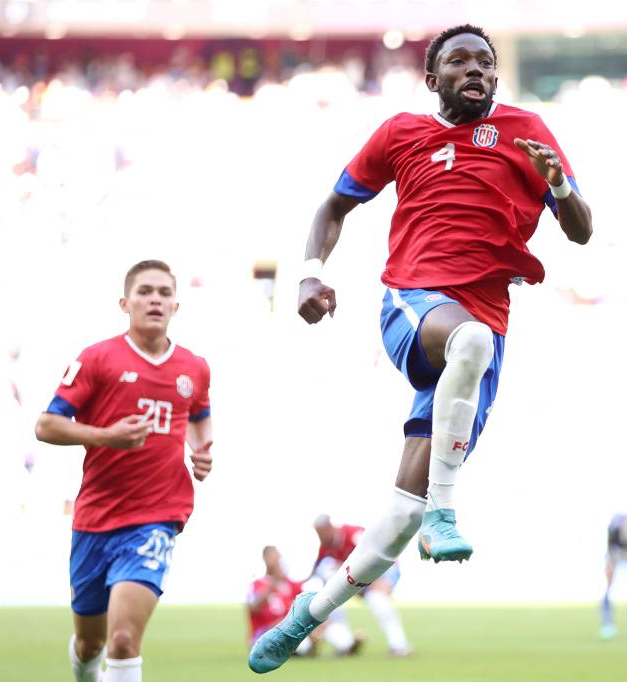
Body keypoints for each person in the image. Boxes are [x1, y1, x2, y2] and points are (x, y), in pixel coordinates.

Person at [249, 23, 592, 673]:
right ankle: (446, 510)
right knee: (466, 341)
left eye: (485, 62)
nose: (476, 70)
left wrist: (562, 186)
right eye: (459, 61)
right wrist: (309, 272)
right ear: (433, 79)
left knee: (399, 515)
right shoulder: (401, 133)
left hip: (485, 335)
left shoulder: (529, 132)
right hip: (416, 303)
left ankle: (304, 619)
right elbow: (334, 205)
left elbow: (580, 231)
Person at [35, 259, 213, 682]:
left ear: (175, 305)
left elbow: (199, 413)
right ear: (125, 302)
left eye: (164, 293)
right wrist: (105, 436)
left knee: (122, 641)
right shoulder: (98, 359)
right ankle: (85, 668)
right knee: (90, 644)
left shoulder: (194, 367)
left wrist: (202, 449)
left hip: (155, 517)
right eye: (145, 292)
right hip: (95, 519)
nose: (155, 299)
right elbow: (46, 425)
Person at [311, 515, 412, 656]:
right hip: (355, 580)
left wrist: (385, 579)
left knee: (378, 600)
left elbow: (382, 551)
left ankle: (399, 645)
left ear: (329, 528)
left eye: (320, 532)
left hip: (379, 574)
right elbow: (315, 573)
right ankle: (344, 643)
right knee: (327, 601)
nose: (319, 537)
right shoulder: (326, 547)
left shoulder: (353, 534)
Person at [247, 546, 315, 655]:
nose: (276, 560)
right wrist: (273, 585)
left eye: (278, 557)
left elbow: (304, 607)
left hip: (287, 630)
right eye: (273, 556)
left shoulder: (289, 584)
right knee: (299, 645)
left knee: (304, 644)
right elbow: (253, 608)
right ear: (265, 558)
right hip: (263, 633)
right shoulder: (256, 584)